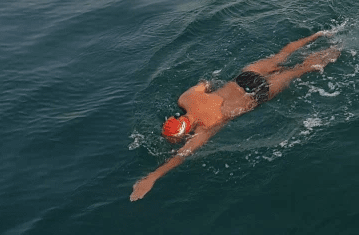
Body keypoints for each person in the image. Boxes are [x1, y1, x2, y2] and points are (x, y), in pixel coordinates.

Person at [130, 31, 339, 201]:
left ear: (182, 134)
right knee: (280, 56)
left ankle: (338, 50)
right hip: (245, 76)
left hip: (257, 93)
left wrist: (152, 177)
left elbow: (181, 156)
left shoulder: (206, 126)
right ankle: (320, 34)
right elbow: (206, 84)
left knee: (298, 70)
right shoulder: (185, 99)